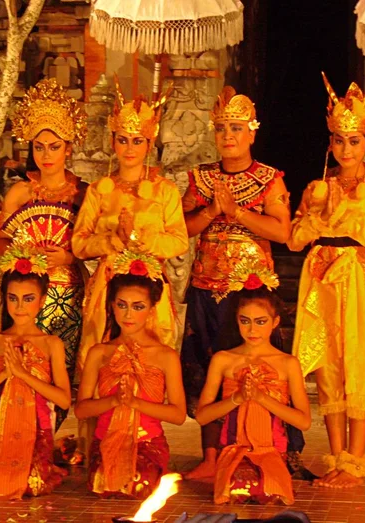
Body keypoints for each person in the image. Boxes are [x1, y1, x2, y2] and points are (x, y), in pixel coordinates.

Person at [287, 70, 365, 488]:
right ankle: (335, 457)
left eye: (354, 141)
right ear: (330, 142)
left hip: (354, 278)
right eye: (339, 140)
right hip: (320, 278)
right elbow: (296, 240)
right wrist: (315, 219)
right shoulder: (318, 187)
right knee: (326, 367)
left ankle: (356, 460)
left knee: (357, 365)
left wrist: (350, 222)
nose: (345, 148)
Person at [181, 86, 291, 479]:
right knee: (206, 368)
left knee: (254, 371)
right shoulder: (201, 179)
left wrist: (239, 215)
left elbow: (282, 232)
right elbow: (182, 228)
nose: (229, 136)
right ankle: (211, 455)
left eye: (237, 128)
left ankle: (260, 447)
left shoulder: (268, 179)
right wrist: (213, 210)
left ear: (252, 133)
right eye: (222, 128)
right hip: (207, 285)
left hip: (251, 292)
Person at [72, 78, 189, 375]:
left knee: (150, 363)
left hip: (149, 283)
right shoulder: (99, 190)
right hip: (108, 285)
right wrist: (113, 239)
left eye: (137, 141)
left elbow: (179, 241)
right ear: (113, 141)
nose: (129, 148)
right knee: (104, 363)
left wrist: (139, 238)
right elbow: (79, 244)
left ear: (149, 144)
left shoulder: (165, 190)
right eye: (123, 139)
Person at [0, 79, 87, 429]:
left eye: (54, 147)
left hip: (69, 291)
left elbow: (92, 243)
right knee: (24, 361)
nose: (46, 156)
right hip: (26, 292)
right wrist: (22, 255)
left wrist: (69, 258)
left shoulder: (83, 194)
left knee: (60, 368)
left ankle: (51, 433)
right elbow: (1, 241)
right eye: (39, 147)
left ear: (68, 148)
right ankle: (21, 430)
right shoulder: (19, 193)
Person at [195, 263, 310, 504]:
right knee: (240, 488)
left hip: (271, 450)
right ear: (236, 320)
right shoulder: (224, 359)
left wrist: (262, 398)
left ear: (275, 322)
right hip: (234, 450)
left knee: (267, 490)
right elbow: (203, 416)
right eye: (245, 321)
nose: (252, 329)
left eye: (260, 321)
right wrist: (236, 398)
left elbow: (304, 421)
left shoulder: (288, 363)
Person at [75, 252, 186, 499]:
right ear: (112, 305)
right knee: (105, 481)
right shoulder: (100, 352)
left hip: (148, 444)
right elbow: (81, 410)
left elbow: (178, 414)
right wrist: (113, 401)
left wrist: (136, 404)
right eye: (122, 305)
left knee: (137, 483)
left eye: (138, 307)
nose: (128, 315)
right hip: (105, 442)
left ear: (151, 308)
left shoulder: (165, 356)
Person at [0, 238, 71, 499]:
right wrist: (3, 374)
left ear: (43, 299)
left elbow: (64, 399)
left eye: (28, 298)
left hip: (37, 433)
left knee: (31, 484)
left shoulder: (51, 344)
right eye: (13, 298)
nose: (20, 306)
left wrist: (24, 374)